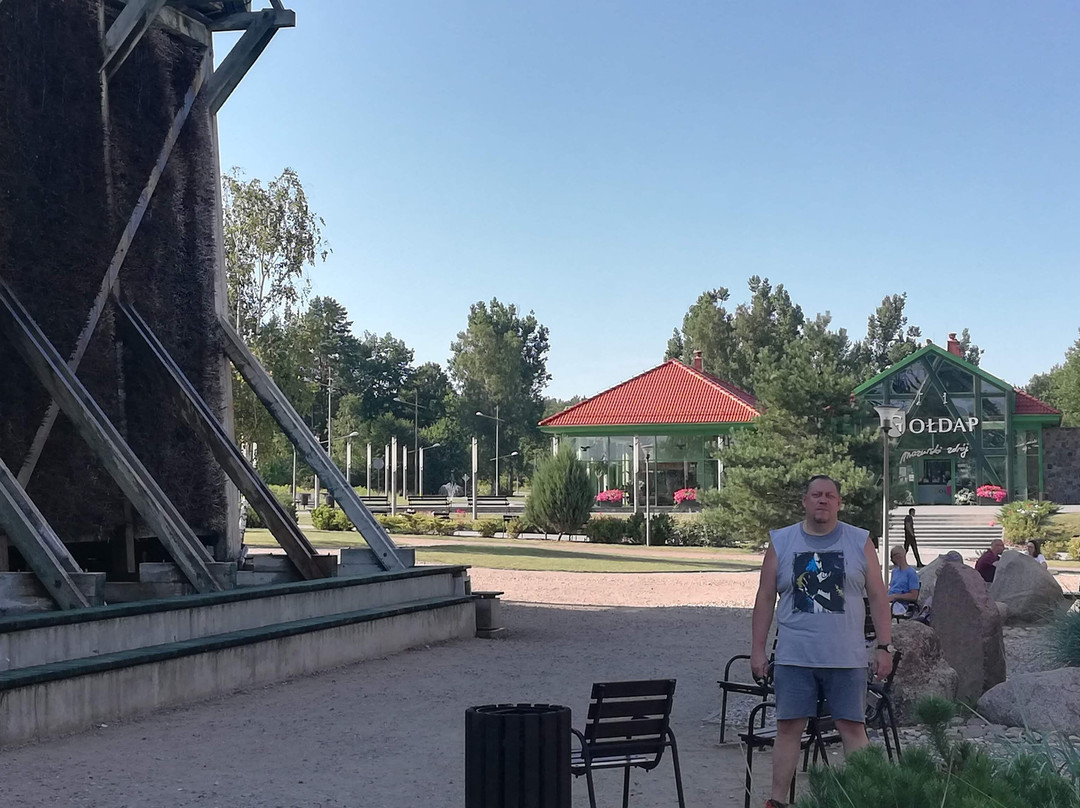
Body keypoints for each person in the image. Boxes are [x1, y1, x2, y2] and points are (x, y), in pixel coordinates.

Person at [751, 476, 892, 808]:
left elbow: (878, 595)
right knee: (788, 729)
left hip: (846, 658)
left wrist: (884, 646)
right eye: (816, 494)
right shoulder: (781, 541)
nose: (823, 500)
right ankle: (777, 801)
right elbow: (765, 596)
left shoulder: (859, 541)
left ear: (839, 503)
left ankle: (864, 799)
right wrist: (758, 649)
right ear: (805, 500)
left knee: (853, 729)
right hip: (794, 656)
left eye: (830, 495)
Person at [888, 546, 920, 617]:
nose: (891, 560)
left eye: (892, 557)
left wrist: (896, 596)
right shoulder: (894, 571)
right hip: (890, 602)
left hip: (901, 605)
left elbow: (914, 595)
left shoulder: (911, 573)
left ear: (898, 557)